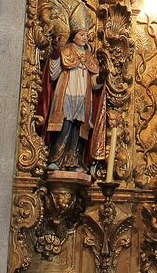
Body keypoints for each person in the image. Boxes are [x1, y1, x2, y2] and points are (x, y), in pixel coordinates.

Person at [38, 26, 106, 172]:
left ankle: (73, 161)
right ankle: (56, 158)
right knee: (65, 124)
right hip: (66, 93)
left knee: (78, 128)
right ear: (73, 36)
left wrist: (101, 77)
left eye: (86, 35)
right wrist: (56, 54)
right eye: (81, 34)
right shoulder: (66, 51)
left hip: (83, 97)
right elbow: (53, 75)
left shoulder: (89, 57)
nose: (85, 37)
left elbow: (94, 84)